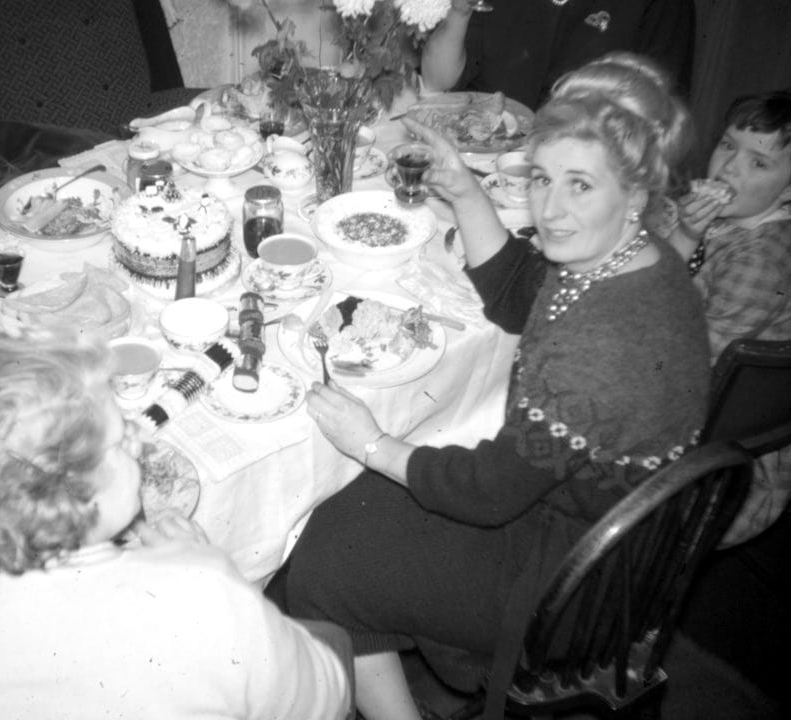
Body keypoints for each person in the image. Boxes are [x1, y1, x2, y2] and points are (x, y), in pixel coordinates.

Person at [266, 65, 710, 718]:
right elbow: (518, 296)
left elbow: (488, 492)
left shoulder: (602, 341)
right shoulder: (631, 256)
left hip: (575, 575)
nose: (551, 210)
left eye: (579, 185)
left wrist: (372, 442)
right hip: (592, 519)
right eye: (542, 179)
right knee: (345, 508)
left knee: (324, 554)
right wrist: (465, 192)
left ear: (636, 192)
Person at [0, 333, 352, 720]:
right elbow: (325, 700)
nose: (141, 443)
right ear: (79, 492)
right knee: (336, 645)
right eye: (121, 436)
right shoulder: (204, 596)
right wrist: (222, 577)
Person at [667, 92, 791, 545]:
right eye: (728, 144)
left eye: (759, 163)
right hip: (693, 399)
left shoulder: (759, 261)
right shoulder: (724, 218)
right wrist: (685, 232)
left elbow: (695, 372)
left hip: (724, 463)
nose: (729, 166)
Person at [420, 0, 695, 110]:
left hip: (586, 178)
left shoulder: (663, 5)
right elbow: (437, 81)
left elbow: (660, 115)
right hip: (483, 163)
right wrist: (459, 12)